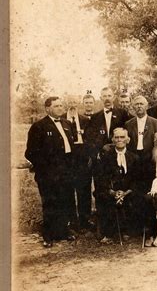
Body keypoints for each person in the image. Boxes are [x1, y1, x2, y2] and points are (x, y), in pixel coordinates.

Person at [25, 97, 77, 247]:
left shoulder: (67, 124)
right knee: (50, 204)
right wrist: (47, 168)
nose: (60, 108)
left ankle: (63, 232)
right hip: (48, 174)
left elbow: (70, 148)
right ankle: (48, 236)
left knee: (65, 202)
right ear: (48, 108)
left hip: (66, 172)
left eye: (61, 105)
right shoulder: (39, 126)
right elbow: (31, 152)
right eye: (56, 106)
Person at [94, 128, 140, 244]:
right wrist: (113, 192)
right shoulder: (105, 157)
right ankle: (108, 233)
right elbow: (101, 178)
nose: (119, 140)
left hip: (128, 191)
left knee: (137, 197)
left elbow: (136, 179)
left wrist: (126, 192)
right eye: (117, 137)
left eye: (122, 137)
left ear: (128, 140)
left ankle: (127, 231)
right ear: (113, 140)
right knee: (105, 199)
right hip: (109, 190)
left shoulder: (134, 158)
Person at [63, 100, 94, 230]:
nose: (72, 106)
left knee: (84, 190)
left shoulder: (85, 120)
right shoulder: (61, 120)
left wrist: (89, 156)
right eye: (70, 103)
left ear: (78, 105)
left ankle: (85, 219)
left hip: (82, 158)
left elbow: (90, 140)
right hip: (67, 159)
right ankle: (71, 221)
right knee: (68, 190)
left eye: (75, 103)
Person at [124, 95, 157, 193]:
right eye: (136, 104)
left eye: (141, 104)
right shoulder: (128, 124)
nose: (139, 106)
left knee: (150, 186)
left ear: (146, 106)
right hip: (134, 158)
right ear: (133, 107)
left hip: (150, 158)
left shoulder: (156, 123)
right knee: (135, 185)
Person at [84, 87, 129, 159]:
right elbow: (91, 137)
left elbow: (127, 133)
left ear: (114, 98)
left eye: (109, 96)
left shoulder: (122, 114)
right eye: (104, 96)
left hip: (119, 152)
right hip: (101, 155)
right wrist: (96, 153)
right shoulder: (95, 117)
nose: (107, 98)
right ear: (101, 98)